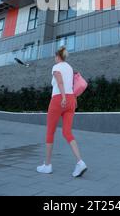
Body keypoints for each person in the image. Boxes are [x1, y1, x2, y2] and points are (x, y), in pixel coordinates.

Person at [37, 46, 87, 177]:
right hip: (71, 101)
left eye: (55, 56)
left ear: (58, 57)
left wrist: (63, 96)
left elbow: (59, 81)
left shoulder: (56, 67)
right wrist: (71, 98)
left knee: (50, 132)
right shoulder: (69, 68)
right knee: (67, 132)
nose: (54, 58)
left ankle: (47, 165)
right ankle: (80, 162)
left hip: (59, 99)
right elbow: (71, 84)